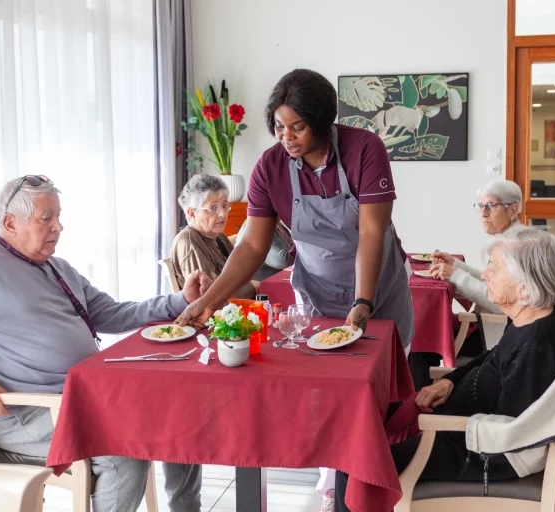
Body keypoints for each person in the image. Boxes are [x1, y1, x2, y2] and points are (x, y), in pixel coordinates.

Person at [0, 175, 208, 512]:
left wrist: (178, 301)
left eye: (58, 216)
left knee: (175, 408)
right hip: (27, 412)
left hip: (85, 398)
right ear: (11, 223)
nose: (59, 226)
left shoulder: (58, 268)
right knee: (122, 450)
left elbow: (111, 314)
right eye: (46, 218)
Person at [177, 68, 414, 512]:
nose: (287, 137)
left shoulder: (365, 150)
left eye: (298, 126)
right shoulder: (270, 167)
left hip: (376, 287)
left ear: (323, 120)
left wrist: (363, 302)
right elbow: (252, 243)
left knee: (376, 401)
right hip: (319, 293)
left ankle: (366, 496)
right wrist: (209, 301)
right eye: (279, 127)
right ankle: (334, 487)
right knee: (326, 402)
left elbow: (371, 234)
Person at [334, 229, 555, 512]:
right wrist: (449, 382)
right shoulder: (530, 315)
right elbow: (492, 359)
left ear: (523, 286)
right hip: (462, 428)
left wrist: (441, 423)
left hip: (480, 451)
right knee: (367, 422)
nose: (484, 276)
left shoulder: (538, 345)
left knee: (353, 458)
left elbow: (510, 431)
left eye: (493, 268)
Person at [430, 179, 525, 313]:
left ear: (513, 210)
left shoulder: (515, 246)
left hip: (493, 328)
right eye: (481, 206)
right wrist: (454, 264)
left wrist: (455, 275)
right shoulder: (509, 238)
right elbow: (490, 282)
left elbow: (501, 300)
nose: (483, 213)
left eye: (492, 205)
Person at [172, 174, 258, 298]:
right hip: (217, 315)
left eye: (224, 205)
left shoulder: (218, 236)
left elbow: (240, 274)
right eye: (213, 208)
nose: (222, 214)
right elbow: (210, 297)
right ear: (192, 213)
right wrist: (253, 287)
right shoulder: (188, 241)